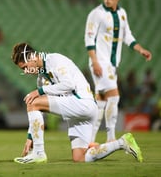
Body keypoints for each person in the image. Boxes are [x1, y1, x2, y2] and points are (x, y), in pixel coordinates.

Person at [11, 42, 143, 164]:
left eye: (25, 67)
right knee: (80, 157)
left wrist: (39, 91)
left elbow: (68, 84)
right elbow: (38, 110)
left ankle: (39, 153)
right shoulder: (41, 77)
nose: (26, 71)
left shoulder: (54, 60)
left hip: (82, 103)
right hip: (79, 113)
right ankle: (122, 142)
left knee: (33, 101)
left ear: (32, 57)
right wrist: (30, 137)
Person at [85, 0, 152, 143]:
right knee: (114, 97)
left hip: (112, 64)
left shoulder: (122, 14)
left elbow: (127, 35)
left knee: (100, 101)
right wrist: (95, 62)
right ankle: (111, 137)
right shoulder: (96, 14)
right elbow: (89, 38)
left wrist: (140, 49)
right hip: (100, 62)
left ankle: (90, 140)